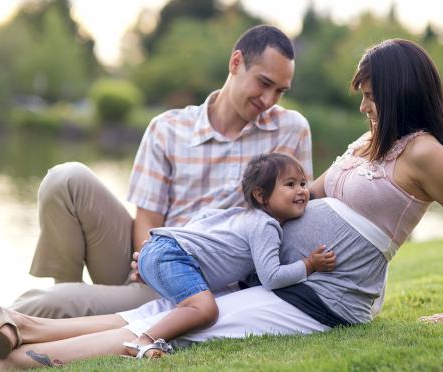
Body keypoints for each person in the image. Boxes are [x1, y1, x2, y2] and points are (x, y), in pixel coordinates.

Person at [0, 38, 443, 370]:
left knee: (174, 324)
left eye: (369, 94)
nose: (362, 106)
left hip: (322, 298)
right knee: (153, 313)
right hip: (271, 275)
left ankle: (3, 359)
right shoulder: (367, 144)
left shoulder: (426, 153)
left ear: (400, 90)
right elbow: (315, 195)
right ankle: (13, 323)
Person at [10, 24, 318, 318]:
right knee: (65, 179)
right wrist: (151, 263)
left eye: (280, 91)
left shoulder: (290, 130)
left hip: (199, 282)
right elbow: (147, 218)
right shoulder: (167, 128)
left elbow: (295, 218)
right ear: (236, 62)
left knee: (44, 304)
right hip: (152, 258)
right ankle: (63, 311)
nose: (269, 100)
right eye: (264, 83)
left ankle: (25, 319)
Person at [129, 153, 331, 358]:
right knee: (205, 309)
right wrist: (308, 265)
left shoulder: (239, 215)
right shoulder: (265, 225)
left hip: (159, 246)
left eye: (303, 183)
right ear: (261, 196)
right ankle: (144, 340)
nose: (302, 191)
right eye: (290, 184)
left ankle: (146, 335)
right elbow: (272, 277)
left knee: (195, 303)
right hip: (172, 255)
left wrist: (153, 260)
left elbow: (203, 216)